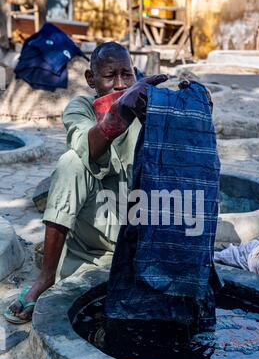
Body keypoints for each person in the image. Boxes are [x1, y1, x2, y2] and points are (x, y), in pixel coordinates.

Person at [4, 41, 168, 324]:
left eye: (126, 75)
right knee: (70, 163)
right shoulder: (80, 108)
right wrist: (119, 114)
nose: (119, 84)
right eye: (109, 76)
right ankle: (46, 277)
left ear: (136, 75)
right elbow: (87, 147)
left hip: (137, 231)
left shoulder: (149, 105)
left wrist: (185, 111)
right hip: (93, 239)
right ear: (91, 79)